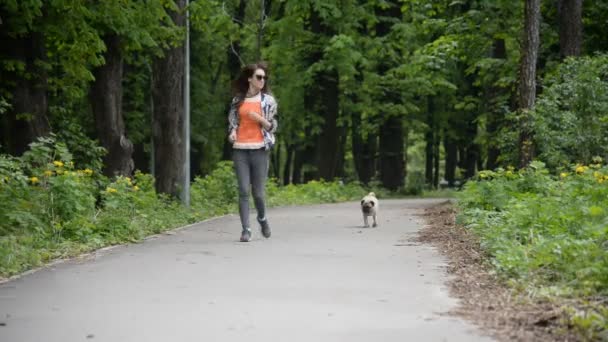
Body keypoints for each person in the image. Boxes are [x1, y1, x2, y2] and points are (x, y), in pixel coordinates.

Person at [227, 62, 278, 242]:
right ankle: (246, 230)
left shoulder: (268, 101)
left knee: (258, 193)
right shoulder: (237, 100)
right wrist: (233, 133)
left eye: (264, 77)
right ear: (250, 78)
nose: (262, 80)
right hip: (240, 149)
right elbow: (233, 123)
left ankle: (262, 219)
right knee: (242, 190)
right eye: (259, 77)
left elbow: (272, 127)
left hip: (260, 150)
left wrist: (260, 120)